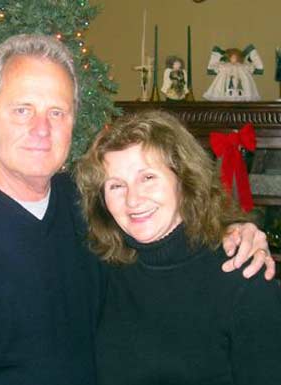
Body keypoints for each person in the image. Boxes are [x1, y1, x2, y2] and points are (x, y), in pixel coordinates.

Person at [0, 34, 274, 385]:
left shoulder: (88, 204)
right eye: (22, 109)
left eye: (57, 112)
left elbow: (167, 237)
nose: (41, 129)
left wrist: (235, 230)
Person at [75, 110, 281, 385]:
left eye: (147, 177)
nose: (133, 200)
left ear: (183, 181)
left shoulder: (243, 277)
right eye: (116, 186)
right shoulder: (102, 269)